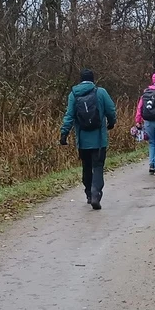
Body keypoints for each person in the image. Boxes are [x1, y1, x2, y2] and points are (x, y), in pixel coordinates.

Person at [59, 69, 117, 210]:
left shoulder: (73, 95)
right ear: (92, 80)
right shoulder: (101, 92)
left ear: (80, 80)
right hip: (99, 140)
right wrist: (111, 122)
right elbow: (111, 110)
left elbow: (69, 116)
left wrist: (64, 133)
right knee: (97, 166)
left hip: (83, 141)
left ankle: (89, 195)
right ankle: (96, 193)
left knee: (86, 166)